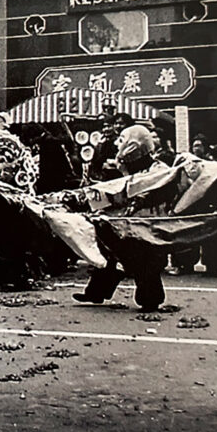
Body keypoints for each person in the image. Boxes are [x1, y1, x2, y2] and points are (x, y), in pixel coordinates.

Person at [73, 125, 171, 312]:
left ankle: (150, 299)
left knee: (145, 262)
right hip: (130, 220)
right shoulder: (136, 169)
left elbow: (153, 192)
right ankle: (96, 292)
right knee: (111, 252)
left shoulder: (158, 170)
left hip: (150, 222)